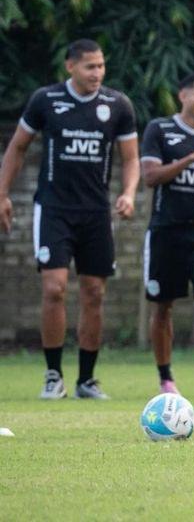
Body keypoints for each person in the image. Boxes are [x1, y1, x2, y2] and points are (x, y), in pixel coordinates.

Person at [0, 39, 138, 399]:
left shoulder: (118, 105)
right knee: (54, 288)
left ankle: (87, 380)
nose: (97, 73)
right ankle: (53, 375)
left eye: (101, 66)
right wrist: (2, 194)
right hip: (54, 210)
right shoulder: (46, 101)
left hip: (96, 213)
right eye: (90, 66)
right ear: (70, 67)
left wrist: (128, 192)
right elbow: (17, 147)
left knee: (94, 293)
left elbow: (131, 159)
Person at [140, 73, 194, 394]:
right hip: (166, 232)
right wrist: (192, 157)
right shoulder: (159, 130)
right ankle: (166, 379)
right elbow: (150, 177)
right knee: (163, 305)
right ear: (183, 95)